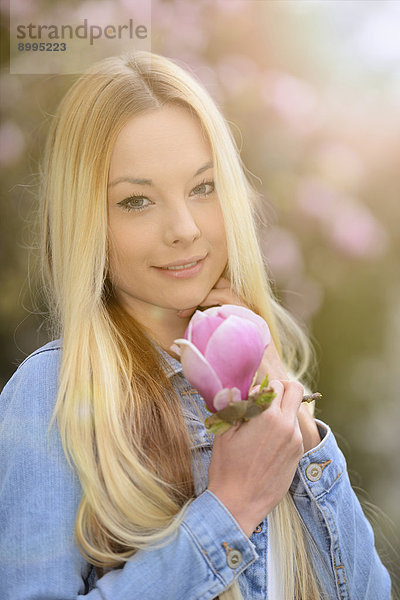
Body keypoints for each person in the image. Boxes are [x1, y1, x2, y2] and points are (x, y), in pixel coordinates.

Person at [0, 50, 391, 600]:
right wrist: (228, 510)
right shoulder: (50, 398)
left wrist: (298, 431)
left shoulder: (266, 372)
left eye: (203, 188)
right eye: (137, 200)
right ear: (88, 221)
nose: (183, 229)